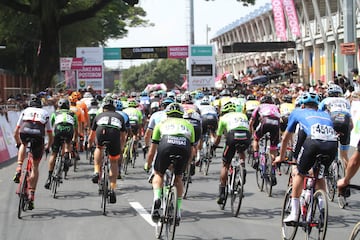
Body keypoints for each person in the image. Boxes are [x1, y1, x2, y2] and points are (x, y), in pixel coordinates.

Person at [274, 92, 338, 224]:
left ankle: (294, 213)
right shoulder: (325, 114)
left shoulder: (297, 112)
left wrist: (281, 157)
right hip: (332, 145)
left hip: (313, 142)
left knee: (300, 173)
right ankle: (322, 210)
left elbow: (286, 137)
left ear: (302, 105)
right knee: (319, 176)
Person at [145, 102, 195, 223]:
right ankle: (177, 211)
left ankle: (157, 198)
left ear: (167, 114)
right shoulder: (188, 124)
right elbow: (192, 150)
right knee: (178, 177)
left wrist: (148, 163)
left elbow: (152, 150)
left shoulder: (161, 123)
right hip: (184, 146)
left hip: (166, 144)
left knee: (159, 174)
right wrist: (187, 166)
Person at [13, 95, 54, 209]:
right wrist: (48, 146)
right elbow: (50, 134)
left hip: (25, 131)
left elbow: (16, 131)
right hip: (38, 136)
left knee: (23, 144)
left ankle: (19, 167)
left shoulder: (25, 111)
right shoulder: (45, 113)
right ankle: (31, 194)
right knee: (35, 166)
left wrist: (18, 143)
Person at [87, 96, 127, 204]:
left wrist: (89, 144)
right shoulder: (120, 117)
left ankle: (96, 171)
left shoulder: (99, 115)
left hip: (102, 131)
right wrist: (121, 147)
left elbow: (92, 135)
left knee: (99, 147)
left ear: (103, 108)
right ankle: (113, 189)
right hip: (114, 134)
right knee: (113, 161)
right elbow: (123, 136)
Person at [211, 102, 251, 204]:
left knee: (225, 165)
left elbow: (218, 138)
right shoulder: (243, 115)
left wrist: (214, 146)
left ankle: (222, 193)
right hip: (246, 135)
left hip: (232, 136)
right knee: (241, 150)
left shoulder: (223, 118)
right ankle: (242, 165)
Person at [44, 98, 78, 189]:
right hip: (69, 131)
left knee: (54, 154)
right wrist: (75, 140)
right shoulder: (73, 114)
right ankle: (67, 155)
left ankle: (49, 177)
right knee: (67, 143)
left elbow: (51, 126)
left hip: (58, 131)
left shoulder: (55, 113)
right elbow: (76, 129)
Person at [318, 84, 353, 170]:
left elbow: (318, 115)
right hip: (345, 122)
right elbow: (351, 123)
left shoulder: (325, 100)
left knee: (326, 149)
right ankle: (347, 179)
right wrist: (348, 132)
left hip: (332, 121)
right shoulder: (345, 101)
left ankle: (325, 170)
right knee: (344, 155)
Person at [249, 95, 281, 175]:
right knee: (273, 148)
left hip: (265, 121)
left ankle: (256, 157)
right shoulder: (275, 107)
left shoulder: (259, 106)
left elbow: (252, 120)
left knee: (256, 139)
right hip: (276, 123)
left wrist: (251, 132)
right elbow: (279, 118)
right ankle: (273, 169)